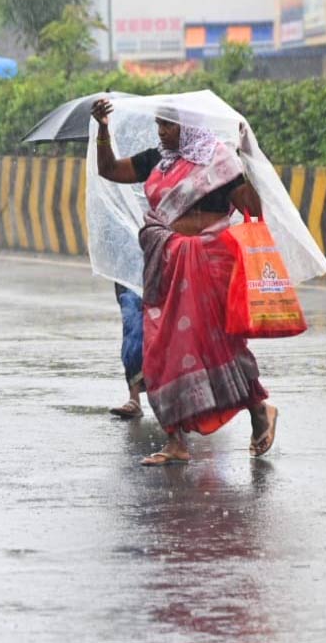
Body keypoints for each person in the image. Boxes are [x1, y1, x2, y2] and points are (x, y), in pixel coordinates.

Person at [91, 98, 277, 466]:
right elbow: (110, 170)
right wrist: (103, 129)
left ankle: (260, 412)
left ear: (188, 128)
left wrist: (246, 160)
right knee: (161, 351)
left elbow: (253, 209)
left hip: (210, 265)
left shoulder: (220, 162)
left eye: (168, 126)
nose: (161, 132)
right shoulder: (158, 160)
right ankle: (176, 441)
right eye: (159, 125)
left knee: (219, 348)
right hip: (168, 263)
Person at [110, 282, 147, 419]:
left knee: (163, 330)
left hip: (160, 268)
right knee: (132, 325)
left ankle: (175, 399)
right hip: (128, 273)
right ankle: (134, 398)